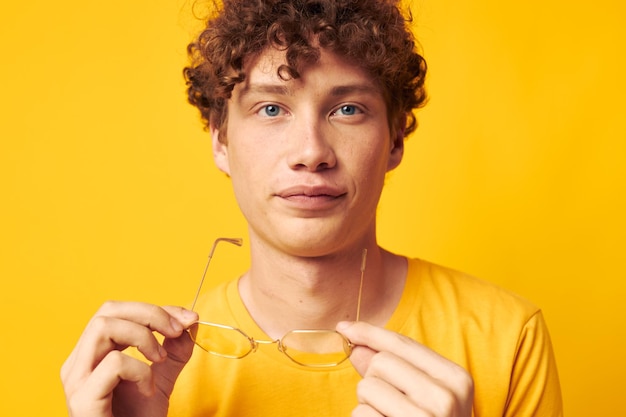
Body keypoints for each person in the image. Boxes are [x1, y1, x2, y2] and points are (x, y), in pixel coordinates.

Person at [61, 0, 563, 416]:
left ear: (394, 139)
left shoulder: (505, 338)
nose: (311, 152)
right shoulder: (149, 381)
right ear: (220, 140)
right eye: (271, 108)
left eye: (347, 109)